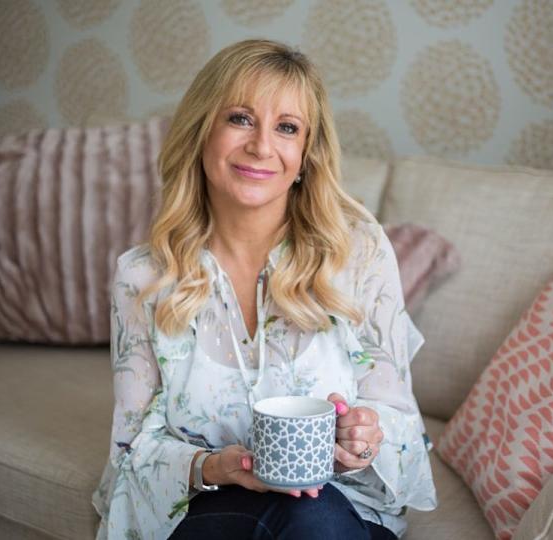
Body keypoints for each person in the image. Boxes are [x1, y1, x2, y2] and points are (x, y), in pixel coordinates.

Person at [92, 39, 437, 540]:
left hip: (342, 512)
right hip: (212, 510)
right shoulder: (142, 277)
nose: (261, 145)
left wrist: (364, 440)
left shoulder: (359, 253)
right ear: (201, 131)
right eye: (239, 118)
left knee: (310, 516)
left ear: (304, 155)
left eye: (287, 128)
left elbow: (400, 424)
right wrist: (214, 468)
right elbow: (130, 450)